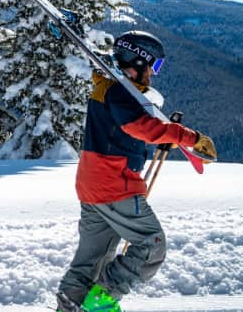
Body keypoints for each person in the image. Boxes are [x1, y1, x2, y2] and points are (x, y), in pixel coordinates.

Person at [56, 31, 217, 312]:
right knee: (152, 244)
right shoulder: (119, 91)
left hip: (92, 185)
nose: (153, 75)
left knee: (93, 257)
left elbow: (129, 128)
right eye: (153, 66)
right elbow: (140, 127)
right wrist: (188, 137)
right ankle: (102, 300)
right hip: (114, 185)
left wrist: (167, 136)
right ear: (138, 62)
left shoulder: (108, 86)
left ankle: (70, 304)